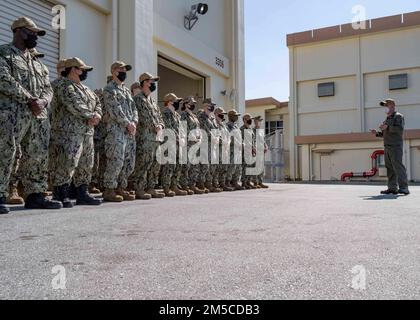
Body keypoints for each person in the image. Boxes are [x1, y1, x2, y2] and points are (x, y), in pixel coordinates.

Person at [0, 17, 62, 214]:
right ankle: (1, 194)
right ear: (19, 31)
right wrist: (30, 99)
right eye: (32, 32)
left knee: (37, 155)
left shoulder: (38, 63)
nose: (36, 37)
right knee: (6, 153)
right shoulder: (4, 53)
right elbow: (4, 79)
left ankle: (35, 195)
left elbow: (47, 88)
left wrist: (43, 101)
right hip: (12, 114)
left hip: (38, 116)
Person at [51, 57, 103, 207]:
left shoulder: (86, 89)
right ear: (73, 69)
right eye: (83, 69)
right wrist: (91, 115)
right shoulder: (63, 85)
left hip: (87, 132)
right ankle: (61, 194)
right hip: (69, 132)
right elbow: (73, 103)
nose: (85, 72)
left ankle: (82, 193)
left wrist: (97, 114)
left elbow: (97, 102)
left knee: (87, 164)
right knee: (68, 162)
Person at [102, 61, 138, 202]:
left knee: (129, 162)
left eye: (125, 69)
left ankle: (120, 188)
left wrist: (134, 122)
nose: (124, 72)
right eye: (121, 69)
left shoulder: (126, 90)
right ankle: (109, 189)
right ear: (114, 71)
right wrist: (127, 123)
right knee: (116, 160)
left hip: (129, 131)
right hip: (117, 130)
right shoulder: (109, 89)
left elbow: (134, 109)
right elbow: (114, 109)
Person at [132, 73, 165, 200]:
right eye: (152, 81)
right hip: (144, 137)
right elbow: (141, 117)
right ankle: (139, 188)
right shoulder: (138, 99)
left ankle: (151, 187)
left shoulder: (153, 101)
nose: (154, 84)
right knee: (143, 163)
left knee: (156, 164)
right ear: (145, 82)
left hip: (156, 138)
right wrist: (153, 125)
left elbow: (160, 118)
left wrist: (160, 126)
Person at [370, 98, 410, 195]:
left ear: (392, 106)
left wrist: (387, 127)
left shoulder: (398, 116)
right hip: (387, 146)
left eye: (386, 106)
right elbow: (385, 134)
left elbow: (399, 130)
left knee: (398, 167)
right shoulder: (388, 118)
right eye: (384, 106)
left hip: (395, 146)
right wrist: (377, 133)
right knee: (390, 168)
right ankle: (392, 188)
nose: (385, 108)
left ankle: (404, 188)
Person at [161, 93, 188, 197]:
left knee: (178, 165)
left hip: (178, 144)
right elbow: (168, 127)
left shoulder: (177, 115)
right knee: (169, 165)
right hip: (169, 143)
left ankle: (174, 185)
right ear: (169, 102)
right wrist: (178, 137)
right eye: (176, 101)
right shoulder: (165, 113)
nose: (178, 103)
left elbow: (181, 128)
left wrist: (182, 137)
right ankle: (166, 187)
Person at [179, 96, 205, 195]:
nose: (193, 104)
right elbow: (182, 130)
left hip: (196, 144)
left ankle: (192, 185)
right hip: (188, 144)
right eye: (191, 103)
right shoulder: (183, 115)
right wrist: (192, 137)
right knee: (187, 166)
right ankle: (185, 185)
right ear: (186, 104)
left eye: (193, 103)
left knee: (195, 166)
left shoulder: (194, 116)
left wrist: (200, 137)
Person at [198, 99, 222, 193]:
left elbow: (217, 130)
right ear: (205, 105)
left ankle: (209, 183)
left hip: (213, 145)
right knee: (204, 166)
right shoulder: (201, 117)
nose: (212, 107)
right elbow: (203, 129)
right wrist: (212, 137)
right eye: (210, 105)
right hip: (205, 144)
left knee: (212, 166)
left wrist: (217, 138)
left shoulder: (212, 118)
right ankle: (201, 184)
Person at [214, 107, 234, 192]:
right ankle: (215, 184)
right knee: (216, 168)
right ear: (216, 114)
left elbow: (228, 136)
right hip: (217, 149)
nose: (222, 116)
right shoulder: (214, 123)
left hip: (225, 149)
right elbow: (215, 136)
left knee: (224, 167)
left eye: (223, 114)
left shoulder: (223, 125)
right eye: (221, 114)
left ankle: (222, 183)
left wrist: (228, 142)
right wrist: (223, 142)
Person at [226, 110, 244, 191]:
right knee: (231, 166)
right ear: (230, 116)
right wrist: (237, 143)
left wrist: (242, 143)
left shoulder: (236, 126)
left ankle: (235, 182)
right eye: (235, 115)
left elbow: (240, 136)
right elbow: (230, 136)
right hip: (232, 149)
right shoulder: (227, 126)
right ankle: (228, 182)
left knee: (238, 167)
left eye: (237, 115)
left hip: (238, 149)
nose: (237, 117)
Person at [252, 116, 269, 189]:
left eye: (260, 121)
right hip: (256, 151)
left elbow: (263, 140)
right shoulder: (252, 130)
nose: (259, 122)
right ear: (255, 121)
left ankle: (260, 182)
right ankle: (255, 183)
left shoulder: (260, 131)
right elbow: (252, 141)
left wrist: (266, 147)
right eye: (258, 121)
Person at [241, 114, 257, 189]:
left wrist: (254, 148)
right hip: (245, 151)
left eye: (251, 119)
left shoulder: (250, 129)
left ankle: (248, 181)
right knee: (245, 167)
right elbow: (242, 141)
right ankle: (244, 182)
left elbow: (253, 140)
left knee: (250, 167)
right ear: (244, 120)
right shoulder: (241, 129)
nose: (250, 120)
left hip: (251, 151)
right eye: (248, 119)